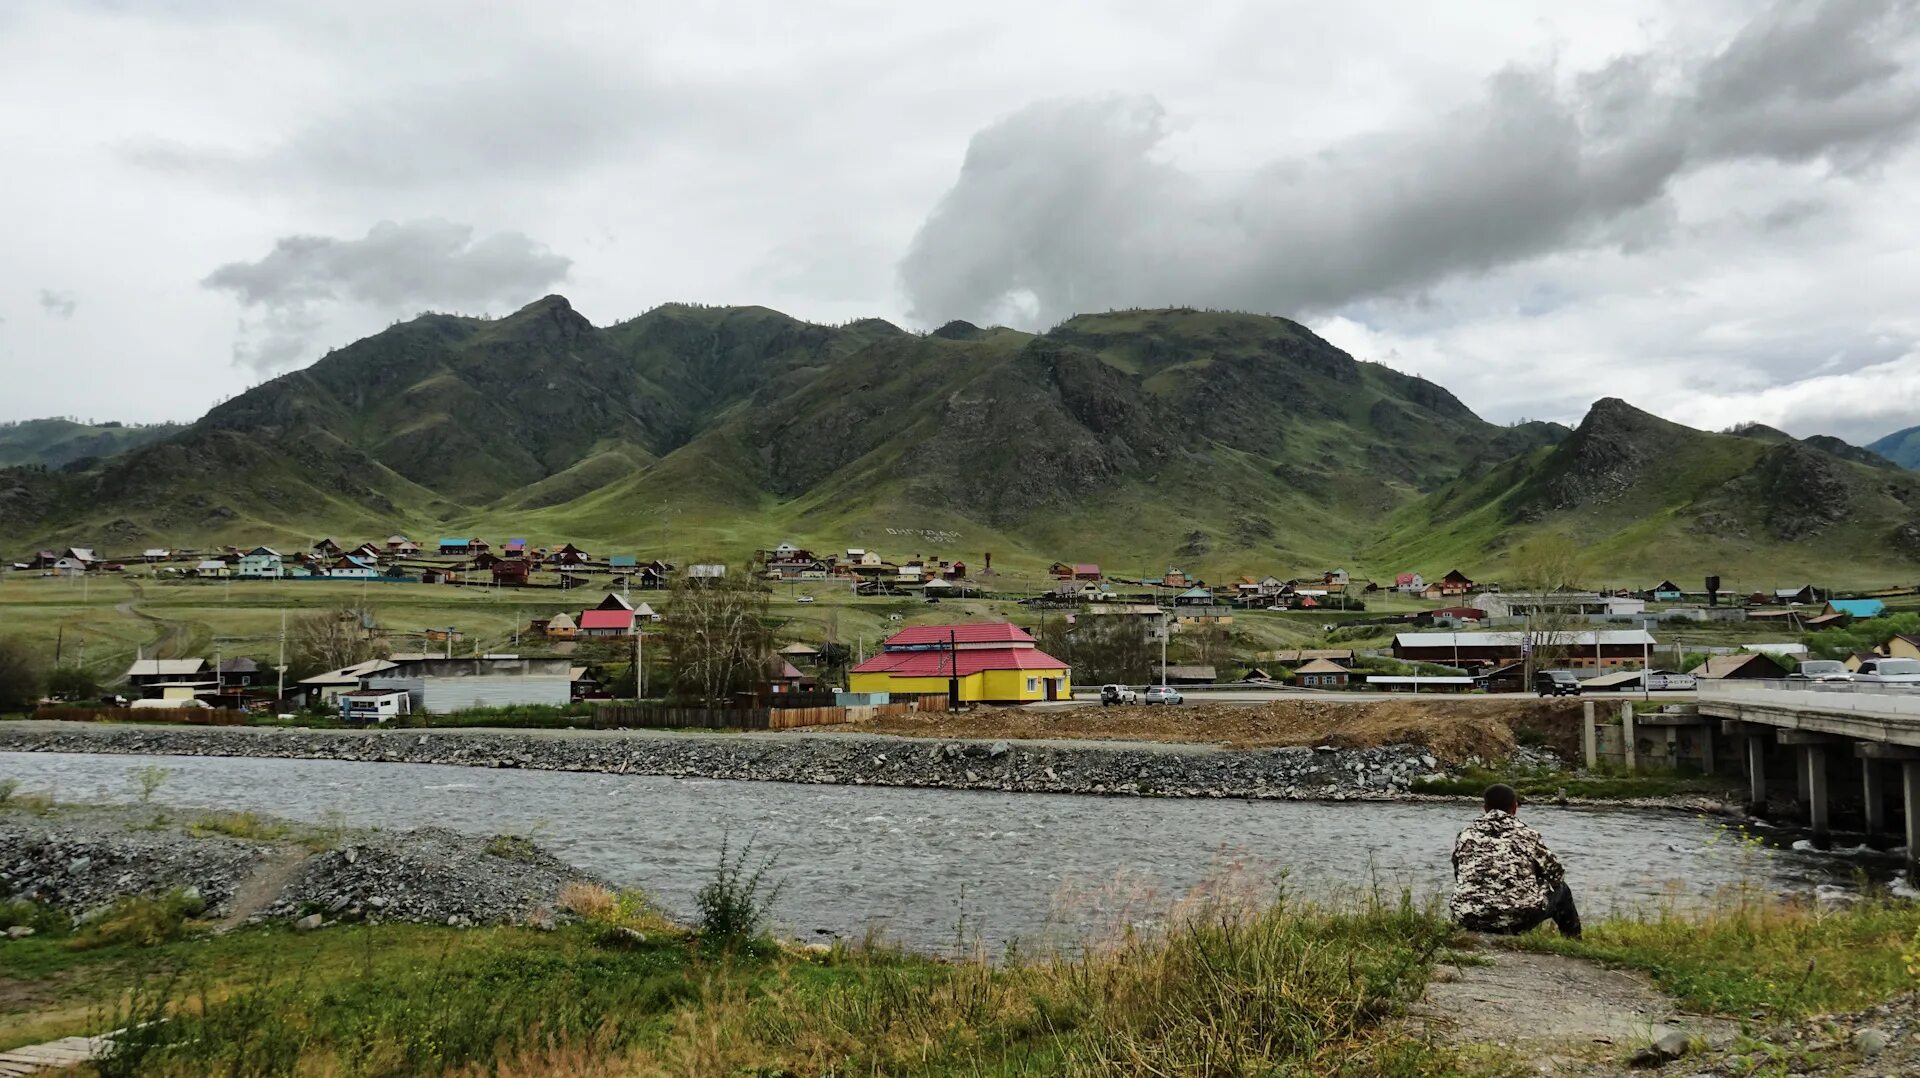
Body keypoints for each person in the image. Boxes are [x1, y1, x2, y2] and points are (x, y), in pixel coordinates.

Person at [1449, 783, 1581, 937]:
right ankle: (1573, 941)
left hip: (1467, 917)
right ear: (1515, 808)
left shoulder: (1466, 835)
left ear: (1485, 808)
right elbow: (1556, 873)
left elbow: (1458, 872)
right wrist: (1533, 879)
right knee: (1562, 889)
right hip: (1515, 920)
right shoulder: (1527, 834)